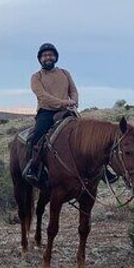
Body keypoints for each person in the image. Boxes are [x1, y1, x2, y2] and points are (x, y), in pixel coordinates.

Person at [22, 43, 79, 188]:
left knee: (86, 136)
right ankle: (34, 167)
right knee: (37, 137)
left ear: (55, 57)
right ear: (40, 59)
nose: (48, 57)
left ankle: (102, 171)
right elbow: (43, 96)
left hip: (67, 111)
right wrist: (64, 102)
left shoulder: (65, 73)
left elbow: (73, 90)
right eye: (45, 55)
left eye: (50, 55)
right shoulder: (36, 77)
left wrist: (74, 101)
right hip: (46, 112)